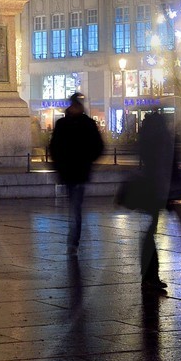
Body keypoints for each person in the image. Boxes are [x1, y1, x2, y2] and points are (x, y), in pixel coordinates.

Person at [48, 92, 105, 252]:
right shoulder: (65, 124)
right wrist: (60, 165)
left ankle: (73, 240)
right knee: (75, 206)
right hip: (69, 172)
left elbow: (99, 147)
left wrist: (87, 161)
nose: (77, 107)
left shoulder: (85, 124)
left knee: (75, 206)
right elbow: (54, 147)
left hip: (79, 171)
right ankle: (75, 236)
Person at [132, 110, 180, 297]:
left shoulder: (147, 139)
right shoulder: (163, 139)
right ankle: (150, 277)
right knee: (150, 234)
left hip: (151, 190)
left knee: (150, 233)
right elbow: (170, 165)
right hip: (159, 190)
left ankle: (149, 276)